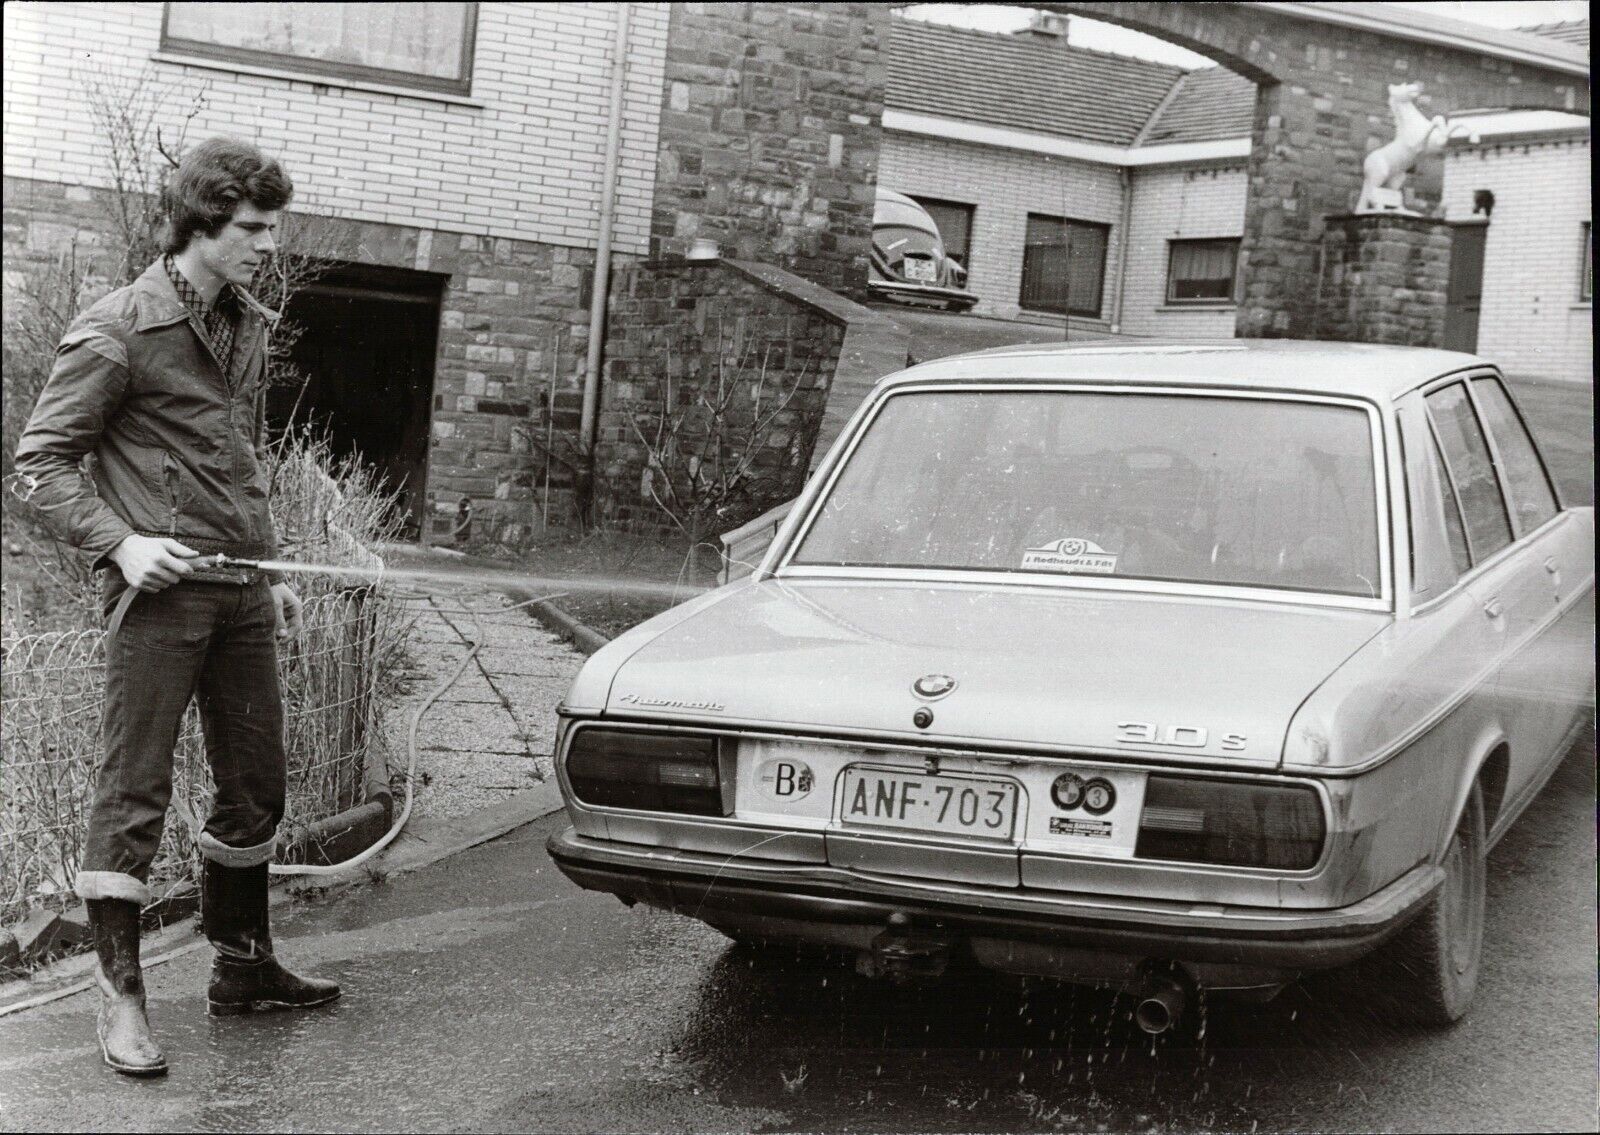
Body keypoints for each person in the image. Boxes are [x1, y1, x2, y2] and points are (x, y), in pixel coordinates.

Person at [13, 136, 339, 1077]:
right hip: (156, 602)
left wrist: (270, 576)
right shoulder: (119, 327)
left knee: (257, 784)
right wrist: (122, 541)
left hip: (238, 593)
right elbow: (40, 463)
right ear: (201, 225)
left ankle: (242, 965)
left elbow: (242, 462)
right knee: (132, 797)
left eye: (272, 227)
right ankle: (119, 1001)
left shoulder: (249, 323)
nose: (268, 243)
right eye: (252, 228)